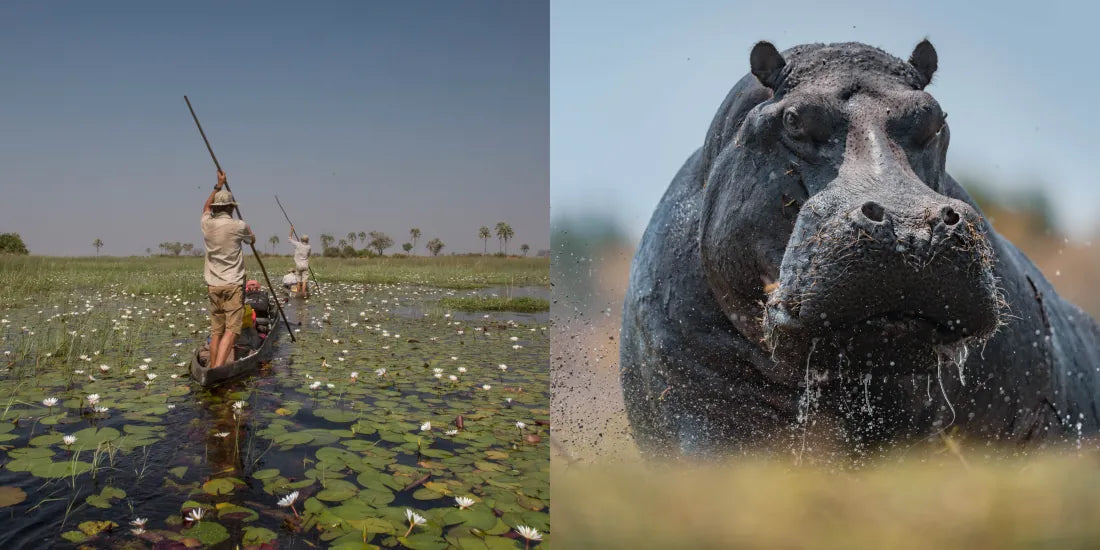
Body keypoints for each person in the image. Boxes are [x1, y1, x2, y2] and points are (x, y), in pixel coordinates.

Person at [201, 170, 255, 368]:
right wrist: (249, 231)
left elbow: (205, 208)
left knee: (217, 331)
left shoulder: (206, 224)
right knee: (231, 331)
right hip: (232, 285)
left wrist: (218, 185)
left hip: (213, 286)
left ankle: (213, 366)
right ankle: (217, 370)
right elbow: (252, 241)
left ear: (216, 208)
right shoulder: (239, 226)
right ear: (232, 208)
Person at [287, 224, 311, 298]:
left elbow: (290, 239)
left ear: (301, 239)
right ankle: (303, 294)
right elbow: (308, 255)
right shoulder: (309, 247)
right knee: (304, 281)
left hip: (298, 265)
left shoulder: (297, 244)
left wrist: (291, 230)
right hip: (305, 265)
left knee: (298, 281)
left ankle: (298, 294)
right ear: (307, 240)